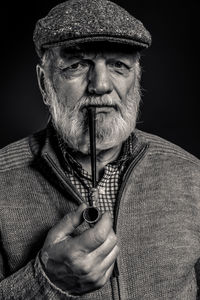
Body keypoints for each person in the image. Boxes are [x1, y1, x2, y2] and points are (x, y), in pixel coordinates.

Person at [0, 0, 200, 299]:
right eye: (76, 66)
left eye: (119, 65)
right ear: (44, 84)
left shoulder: (191, 175)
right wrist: (45, 282)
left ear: (137, 79)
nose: (100, 85)